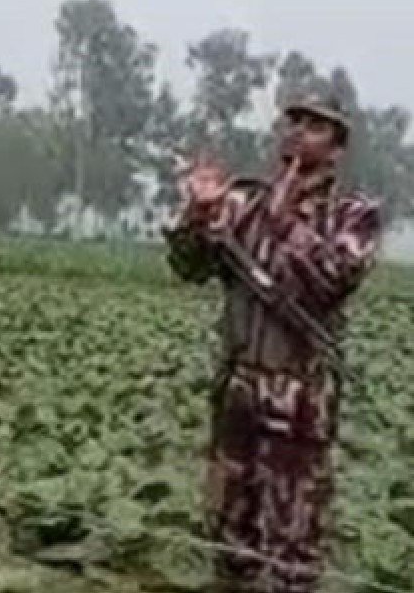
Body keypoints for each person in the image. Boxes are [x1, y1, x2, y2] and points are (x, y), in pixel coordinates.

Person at [163, 92, 382, 592]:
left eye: (316, 125)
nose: (299, 131)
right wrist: (197, 216)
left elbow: (332, 278)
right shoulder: (242, 202)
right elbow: (189, 268)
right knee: (227, 532)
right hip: (238, 387)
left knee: (294, 545)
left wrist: (287, 219)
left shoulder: (353, 215)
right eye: (295, 121)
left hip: (300, 397)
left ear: (337, 147)